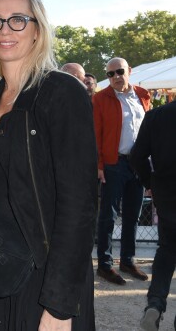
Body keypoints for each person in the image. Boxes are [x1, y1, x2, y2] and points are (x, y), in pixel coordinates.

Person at [0, 0, 96, 330]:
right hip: (1, 267)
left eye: (18, 20)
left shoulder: (60, 92)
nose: (5, 30)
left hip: (47, 275)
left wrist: (59, 305)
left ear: (37, 29)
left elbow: (79, 205)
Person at [92, 57, 151, 286]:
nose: (116, 77)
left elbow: (148, 131)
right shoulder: (101, 98)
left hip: (138, 163)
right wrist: (98, 165)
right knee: (108, 216)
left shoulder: (143, 95)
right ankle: (105, 265)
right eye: (110, 74)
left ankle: (127, 260)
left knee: (133, 215)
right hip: (113, 164)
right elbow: (95, 134)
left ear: (129, 71)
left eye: (119, 71)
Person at [130, 100, 176, 331]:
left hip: (167, 193)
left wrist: (150, 184)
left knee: (167, 250)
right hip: (165, 192)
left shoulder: (156, 116)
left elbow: (137, 156)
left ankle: (155, 305)